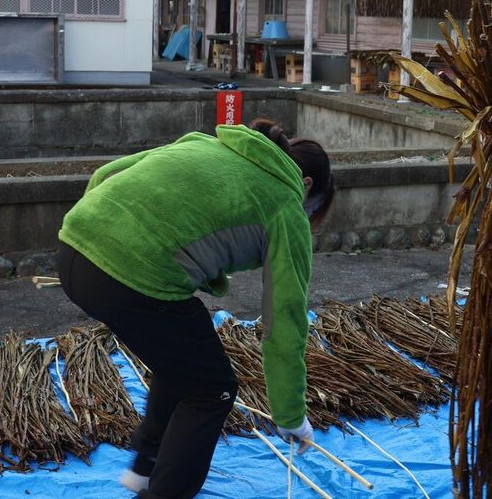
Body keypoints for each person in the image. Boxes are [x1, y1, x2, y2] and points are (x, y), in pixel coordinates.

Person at [56, 117, 335, 499]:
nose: (307, 216)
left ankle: (144, 467)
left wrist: (95, 235)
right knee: (212, 390)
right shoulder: (286, 203)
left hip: (73, 246)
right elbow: (284, 320)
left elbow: (110, 172)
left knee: (187, 358)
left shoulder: (212, 143)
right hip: (128, 278)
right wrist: (290, 415)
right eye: (313, 207)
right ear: (306, 185)